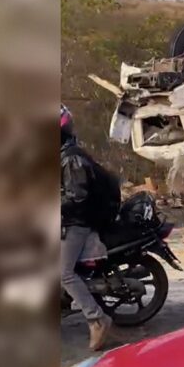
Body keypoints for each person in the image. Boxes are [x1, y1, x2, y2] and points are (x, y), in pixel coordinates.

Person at [60, 104, 120, 350]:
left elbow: (76, 197)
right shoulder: (63, 154)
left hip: (78, 222)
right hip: (70, 218)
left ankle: (97, 319)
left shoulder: (71, 158)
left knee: (63, 273)